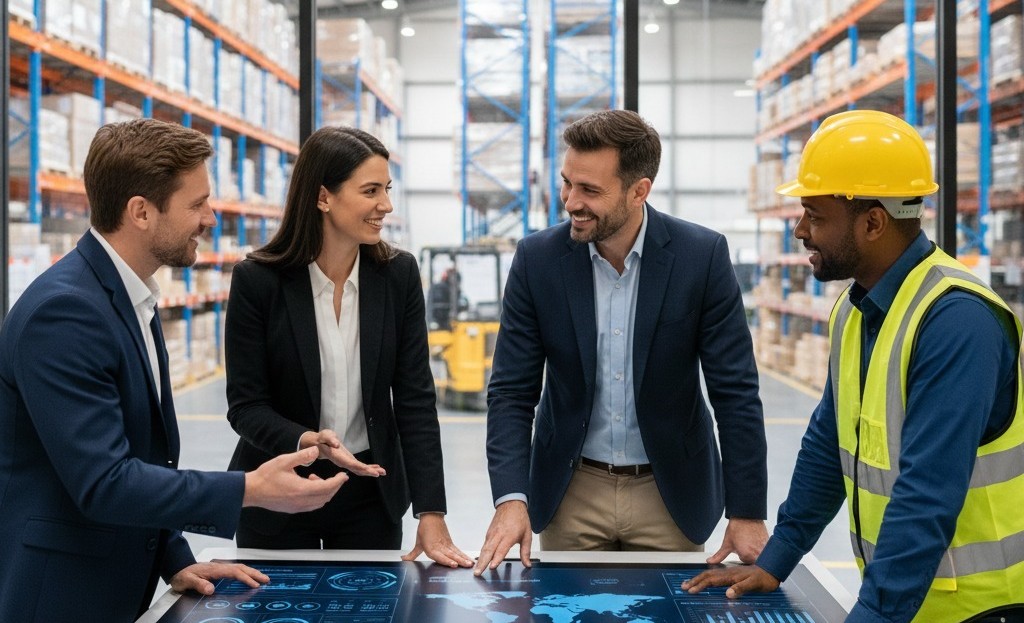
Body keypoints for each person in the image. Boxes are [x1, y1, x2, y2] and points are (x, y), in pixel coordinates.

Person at [0, 118, 348, 622]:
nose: (210, 217)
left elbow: (144, 455)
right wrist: (249, 488)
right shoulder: (65, 313)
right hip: (62, 596)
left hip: (111, 586)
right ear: (141, 212)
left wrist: (175, 560)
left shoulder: (130, 296)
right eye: (197, 204)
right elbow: (105, 481)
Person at [682, 110, 1024, 623]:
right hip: (910, 602)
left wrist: (874, 614)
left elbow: (926, 495)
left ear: (873, 221)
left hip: (977, 609)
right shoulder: (855, 308)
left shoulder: (956, 321)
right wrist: (779, 559)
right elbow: (828, 445)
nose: (800, 230)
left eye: (815, 215)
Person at [474, 109, 768, 574]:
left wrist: (747, 510)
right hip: (571, 491)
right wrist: (512, 497)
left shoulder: (701, 257)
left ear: (639, 191)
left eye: (590, 190)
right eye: (568, 183)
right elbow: (511, 392)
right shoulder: (538, 261)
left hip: (669, 493)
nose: (571, 202)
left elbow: (735, 393)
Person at [225, 126, 472, 568]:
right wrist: (307, 440)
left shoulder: (396, 277)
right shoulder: (257, 281)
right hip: (278, 487)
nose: (386, 205)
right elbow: (246, 406)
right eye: (371, 190)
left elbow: (415, 400)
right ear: (324, 197)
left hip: (369, 493)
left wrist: (430, 511)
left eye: (387, 189)